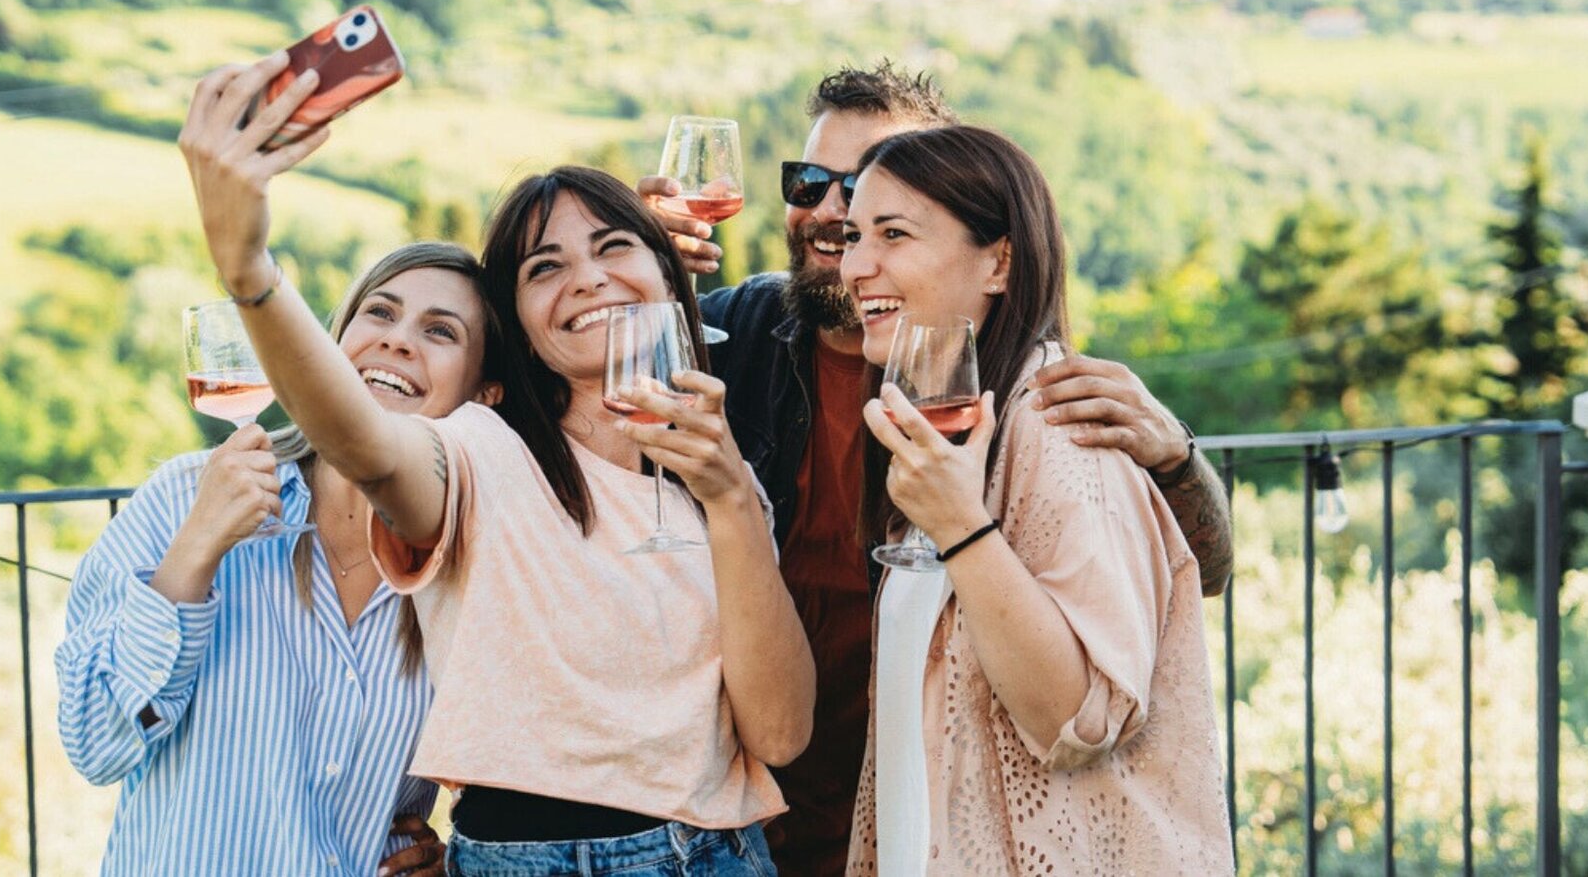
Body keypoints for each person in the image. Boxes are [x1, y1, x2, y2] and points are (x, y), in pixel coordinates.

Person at [178, 51, 814, 877]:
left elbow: (781, 732)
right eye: (544, 267)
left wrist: (731, 501)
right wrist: (250, 270)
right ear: (520, 320)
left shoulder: (720, 474)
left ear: (668, 272)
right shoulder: (480, 450)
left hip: (719, 856)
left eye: (614, 246)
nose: (586, 279)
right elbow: (364, 441)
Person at [640, 62, 1233, 876]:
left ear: (992, 257)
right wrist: (634, 273)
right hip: (755, 824)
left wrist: (1178, 459)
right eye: (811, 181)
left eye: (882, 211)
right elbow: (543, 397)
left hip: (939, 818)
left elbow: (1177, 585)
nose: (833, 218)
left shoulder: (1026, 408)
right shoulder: (732, 336)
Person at [841, 125, 1232, 874]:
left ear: (999, 260)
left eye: (892, 233)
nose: (858, 265)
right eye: (854, 236)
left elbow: (1074, 717)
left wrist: (961, 527)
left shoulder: (1059, 428)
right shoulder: (949, 425)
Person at [55, 239, 493, 877]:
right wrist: (199, 545)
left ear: (486, 396)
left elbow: (518, 774)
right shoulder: (184, 497)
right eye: (380, 313)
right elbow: (96, 744)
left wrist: (452, 863)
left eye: (439, 330)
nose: (399, 341)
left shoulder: (476, 562)